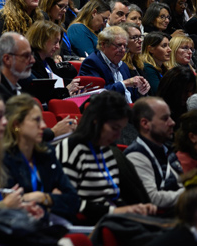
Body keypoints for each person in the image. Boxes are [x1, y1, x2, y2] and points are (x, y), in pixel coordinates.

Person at [55, 90, 156, 224]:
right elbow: (68, 201)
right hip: (90, 223)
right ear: (96, 121)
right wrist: (120, 211)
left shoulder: (106, 149)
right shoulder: (71, 148)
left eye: (121, 129)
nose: (118, 136)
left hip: (113, 219)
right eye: (114, 128)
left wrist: (137, 208)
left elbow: (112, 195)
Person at [2, 95, 80, 221]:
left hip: (53, 224)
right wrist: (53, 199)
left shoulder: (47, 153)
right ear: (17, 124)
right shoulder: (4, 158)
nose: (43, 126)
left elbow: (73, 201)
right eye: (36, 120)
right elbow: (11, 205)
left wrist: (42, 197)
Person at [124, 97, 184, 209]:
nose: (172, 123)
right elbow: (152, 198)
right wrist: (189, 196)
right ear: (145, 123)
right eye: (165, 118)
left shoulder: (166, 149)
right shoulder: (136, 155)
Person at [80, 25, 149, 103]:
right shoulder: (92, 63)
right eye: (119, 45)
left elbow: (130, 97)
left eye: (125, 46)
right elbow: (96, 95)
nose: (123, 50)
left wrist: (140, 91)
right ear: (103, 45)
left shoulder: (123, 66)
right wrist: (125, 83)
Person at [23, 20, 81, 100]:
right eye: (55, 42)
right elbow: (41, 93)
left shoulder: (49, 62)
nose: (57, 47)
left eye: (58, 42)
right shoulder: (30, 63)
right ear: (42, 39)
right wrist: (66, 90)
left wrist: (72, 87)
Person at [0, 32, 35, 101]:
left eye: (31, 54)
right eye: (26, 56)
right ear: (7, 59)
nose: (33, 60)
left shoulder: (14, 88)